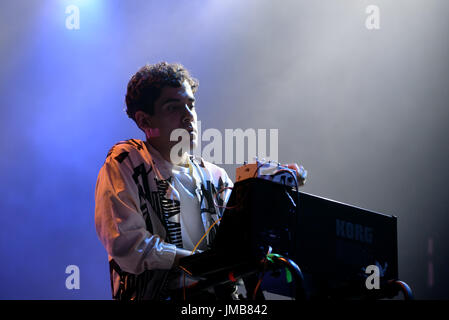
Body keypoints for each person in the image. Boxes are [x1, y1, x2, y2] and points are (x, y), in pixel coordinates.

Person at [95, 62, 306, 300]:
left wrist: (272, 190)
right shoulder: (127, 160)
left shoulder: (214, 176)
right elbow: (129, 245)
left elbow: (242, 244)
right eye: (173, 107)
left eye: (190, 105)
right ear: (144, 121)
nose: (188, 116)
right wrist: (204, 264)